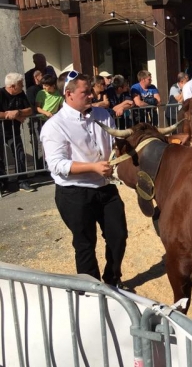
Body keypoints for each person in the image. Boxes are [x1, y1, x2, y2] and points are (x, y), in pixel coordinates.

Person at [40, 71, 128, 288]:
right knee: (85, 244)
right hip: (74, 193)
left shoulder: (102, 115)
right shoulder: (54, 126)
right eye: (85, 92)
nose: (91, 95)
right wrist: (93, 167)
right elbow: (58, 165)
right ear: (68, 94)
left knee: (118, 236)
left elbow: (114, 143)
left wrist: (117, 155)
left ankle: (112, 282)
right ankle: (91, 292)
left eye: (91, 91)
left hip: (105, 188)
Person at [0, 73, 34, 193]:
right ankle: (3, 182)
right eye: (21, 84)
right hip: (1, 131)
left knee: (19, 155)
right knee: (0, 158)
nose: (23, 86)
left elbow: (29, 110)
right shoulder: (1, 93)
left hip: (14, 131)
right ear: (13, 86)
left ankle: (22, 181)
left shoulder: (20, 94)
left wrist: (18, 112)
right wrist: (8, 115)